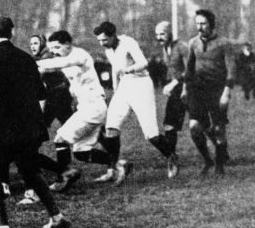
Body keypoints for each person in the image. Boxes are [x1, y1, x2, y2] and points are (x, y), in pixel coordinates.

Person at [0, 16, 68, 228]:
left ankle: (1, 227)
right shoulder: (25, 56)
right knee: (29, 169)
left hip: (9, 125)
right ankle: (56, 216)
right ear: (11, 33)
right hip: (32, 123)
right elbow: (42, 93)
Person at [29, 30, 121, 197]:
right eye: (51, 48)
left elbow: (59, 64)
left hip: (93, 107)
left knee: (60, 138)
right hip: (87, 107)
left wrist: (32, 64)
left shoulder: (79, 55)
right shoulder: (65, 59)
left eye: (57, 47)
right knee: (82, 153)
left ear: (68, 45)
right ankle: (119, 164)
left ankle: (63, 176)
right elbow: (49, 68)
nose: (54, 52)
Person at [95, 21, 176, 182]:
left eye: (104, 40)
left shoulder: (128, 42)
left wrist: (129, 69)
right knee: (111, 128)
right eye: (99, 41)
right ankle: (114, 168)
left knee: (151, 135)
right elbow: (114, 69)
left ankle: (172, 156)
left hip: (141, 84)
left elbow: (144, 63)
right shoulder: (109, 49)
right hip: (125, 85)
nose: (102, 43)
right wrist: (115, 89)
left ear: (113, 36)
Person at [184, 9, 238, 175]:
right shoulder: (193, 43)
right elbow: (189, 69)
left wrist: (227, 92)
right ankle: (207, 160)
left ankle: (220, 166)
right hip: (198, 89)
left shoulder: (224, 44)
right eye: (197, 23)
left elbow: (232, 69)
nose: (199, 27)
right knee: (194, 126)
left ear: (211, 24)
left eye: (203, 24)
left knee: (219, 130)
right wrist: (186, 88)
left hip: (218, 89)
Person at [155, 21, 188, 178]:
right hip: (177, 91)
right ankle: (172, 160)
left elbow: (191, 69)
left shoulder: (182, 47)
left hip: (192, 89)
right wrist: (170, 84)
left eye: (162, 34)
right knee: (169, 125)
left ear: (170, 33)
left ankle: (220, 151)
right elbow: (173, 70)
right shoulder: (164, 48)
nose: (159, 37)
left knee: (202, 125)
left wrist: (174, 83)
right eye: (157, 35)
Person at [30, 33, 74, 129]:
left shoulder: (47, 56)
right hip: (54, 95)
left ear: (42, 44)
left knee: (39, 125)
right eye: (31, 44)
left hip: (59, 95)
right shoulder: (39, 57)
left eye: (35, 43)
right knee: (69, 123)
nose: (33, 46)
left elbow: (39, 76)